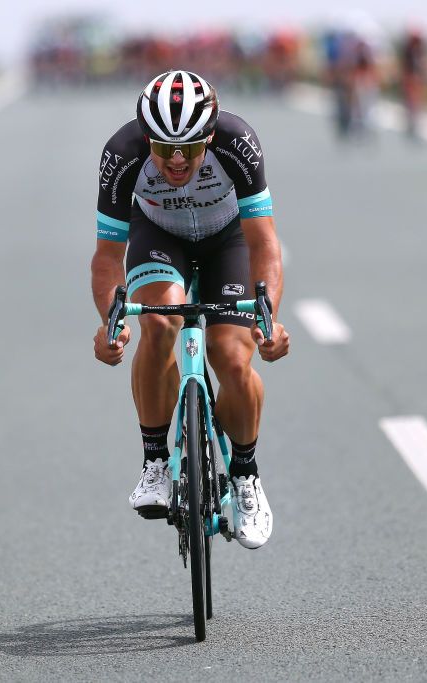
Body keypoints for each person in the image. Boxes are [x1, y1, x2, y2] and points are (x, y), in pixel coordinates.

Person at [91, 70, 289, 549]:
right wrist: (110, 326)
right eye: (163, 149)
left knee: (233, 356)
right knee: (159, 324)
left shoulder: (238, 143)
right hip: (159, 237)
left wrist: (268, 320)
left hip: (229, 239)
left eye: (189, 149)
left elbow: (264, 243)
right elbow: (106, 259)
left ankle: (245, 475)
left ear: (211, 135)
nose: (176, 161)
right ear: (146, 139)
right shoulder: (123, 154)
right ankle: (156, 462)